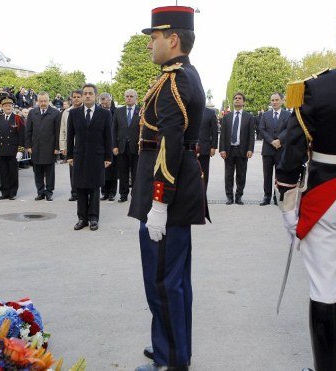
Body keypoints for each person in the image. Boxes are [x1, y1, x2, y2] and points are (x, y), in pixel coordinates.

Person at [276, 1, 336, 369]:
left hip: (328, 199)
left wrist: (287, 206)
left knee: (325, 291)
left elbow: (291, 159)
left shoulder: (318, 87)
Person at [128, 6, 207, 371]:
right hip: (172, 193)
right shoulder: (177, 76)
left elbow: (169, 146)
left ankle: (172, 361)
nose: (150, 45)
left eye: (154, 38)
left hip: (167, 197)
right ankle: (172, 345)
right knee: (173, 279)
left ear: (172, 39)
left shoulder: (176, 80)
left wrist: (159, 203)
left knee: (162, 281)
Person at [67, 83, 112, 231]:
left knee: (93, 188)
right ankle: (82, 218)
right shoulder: (74, 113)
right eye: (85, 93)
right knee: (79, 187)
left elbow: (108, 137)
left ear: (95, 96)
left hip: (97, 156)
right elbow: (70, 136)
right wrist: (69, 155)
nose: (87, 96)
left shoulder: (105, 114)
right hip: (79, 156)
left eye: (90, 93)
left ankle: (93, 218)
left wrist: (108, 157)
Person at [218, 92, 255, 205]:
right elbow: (223, 135)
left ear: (243, 102)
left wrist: (250, 149)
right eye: (235, 98)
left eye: (239, 98)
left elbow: (251, 136)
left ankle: (239, 196)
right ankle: (229, 197)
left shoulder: (249, 117)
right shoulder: (227, 117)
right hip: (229, 150)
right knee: (228, 175)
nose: (237, 100)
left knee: (241, 175)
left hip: (242, 150)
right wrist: (222, 149)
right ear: (233, 101)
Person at [25, 92, 61, 201]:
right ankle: (40, 192)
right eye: (41, 101)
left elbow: (58, 132)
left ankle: (49, 192)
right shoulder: (32, 113)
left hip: (50, 148)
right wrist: (28, 146)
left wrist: (57, 147)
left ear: (48, 101)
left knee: (50, 172)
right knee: (37, 171)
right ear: (37, 102)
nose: (43, 103)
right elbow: (28, 131)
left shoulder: (55, 113)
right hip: (36, 147)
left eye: (45, 101)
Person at [0, 95, 25, 200]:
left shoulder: (18, 118)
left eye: (10, 105)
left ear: (13, 106)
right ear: (2, 107)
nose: (8, 107)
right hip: (1, 150)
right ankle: (4, 192)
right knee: (3, 173)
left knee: (13, 173)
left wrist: (20, 151)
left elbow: (22, 136)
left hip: (13, 151)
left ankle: (13, 193)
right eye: (5, 106)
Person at [258, 92, 290, 206]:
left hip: (281, 149)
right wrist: (272, 141)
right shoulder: (265, 115)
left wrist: (279, 140)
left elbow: (289, 129)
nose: (274, 102)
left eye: (276, 100)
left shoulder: (288, 115)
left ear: (282, 101)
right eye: (272, 100)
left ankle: (277, 196)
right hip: (267, 149)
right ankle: (266, 196)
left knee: (279, 174)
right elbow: (261, 129)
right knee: (267, 174)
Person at [113, 89, 141, 202]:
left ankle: (135, 195)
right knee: (123, 173)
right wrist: (114, 146)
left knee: (136, 173)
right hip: (121, 147)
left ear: (136, 98)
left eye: (131, 96)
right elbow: (113, 130)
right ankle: (123, 195)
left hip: (136, 147)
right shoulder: (118, 111)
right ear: (124, 98)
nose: (129, 98)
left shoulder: (141, 111)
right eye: (127, 96)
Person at [60, 90, 83, 201]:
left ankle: (84, 191)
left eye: (79, 96)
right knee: (73, 170)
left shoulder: (86, 110)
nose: (76, 99)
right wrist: (63, 146)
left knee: (84, 169)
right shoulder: (66, 112)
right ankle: (74, 192)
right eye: (74, 97)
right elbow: (63, 130)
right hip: (71, 145)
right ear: (71, 98)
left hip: (83, 145)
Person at [99, 92, 118, 201]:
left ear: (109, 100)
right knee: (102, 170)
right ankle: (104, 192)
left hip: (112, 144)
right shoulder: (98, 111)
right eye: (102, 102)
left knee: (112, 170)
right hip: (101, 145)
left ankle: (112, 192)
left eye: (105, 101)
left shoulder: (116, 111)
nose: (104, 104)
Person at [197, 107, 218, 191]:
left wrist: (213, 147)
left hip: (204, 149)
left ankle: (203, 192)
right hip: (188, 148)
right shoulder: (188, 110)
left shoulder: (210, 113)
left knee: (203, 173)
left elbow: (214, 131)